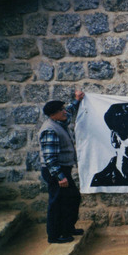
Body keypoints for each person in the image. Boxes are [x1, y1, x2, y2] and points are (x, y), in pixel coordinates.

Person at [39, 91, 85, 244]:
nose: (65, 111)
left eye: (64, 109)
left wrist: (77, 100)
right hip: (55, 171)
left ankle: (67, 228)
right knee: (57, 202)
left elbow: (70, 110)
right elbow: (50, 157)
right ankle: (54, 235)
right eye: (61, 110)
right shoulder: (50, 130)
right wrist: (60, 176)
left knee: (72, 198)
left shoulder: (60, 121)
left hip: (62, 170)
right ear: (53, 115)